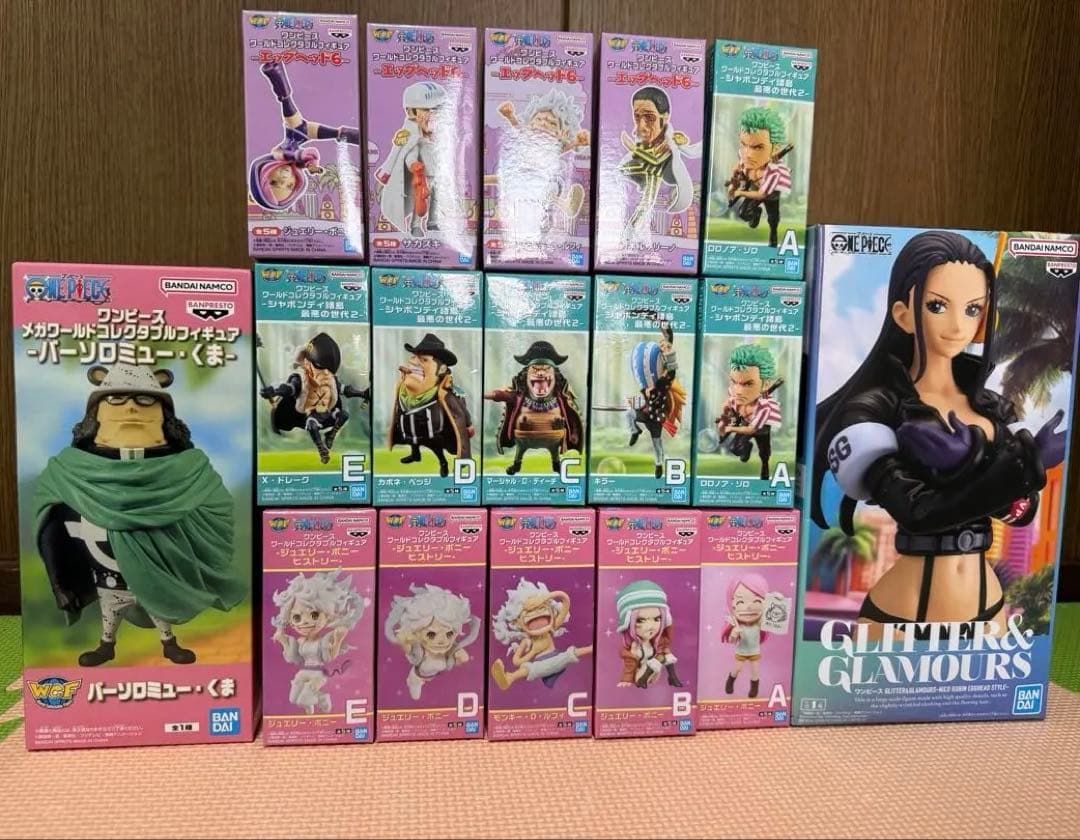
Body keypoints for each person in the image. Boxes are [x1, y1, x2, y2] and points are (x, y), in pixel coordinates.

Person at [811, 230, 1065, 639]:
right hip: (900, 620)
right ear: (903, 314)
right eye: (937, 306)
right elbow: (918, 513)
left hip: (989, 614)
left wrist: (983, 467)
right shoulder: (875, 409)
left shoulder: (994, 408)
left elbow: (1022, 513)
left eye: (973, 309)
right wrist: (1008, 466)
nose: (957, 325)